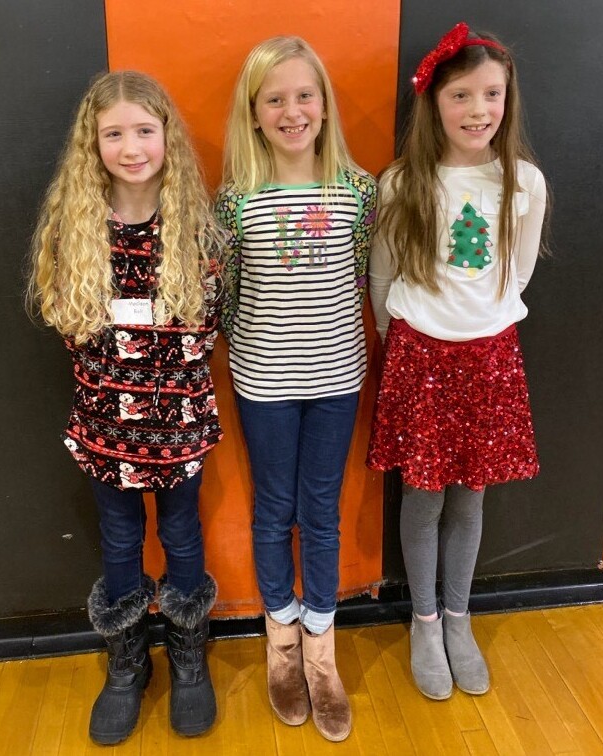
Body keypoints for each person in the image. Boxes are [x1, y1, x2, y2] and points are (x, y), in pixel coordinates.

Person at [28, 71, 224, 744]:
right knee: (118, 539)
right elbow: (65, 318)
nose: (132, 146)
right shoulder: (74, 227)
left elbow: (213, 320)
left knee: (182, 535)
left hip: (180, 427)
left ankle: (190, 655)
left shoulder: (197, 227)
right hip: (106, 425)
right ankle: (127, 660)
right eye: (115, 133)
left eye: (144, 130)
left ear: (166, 136)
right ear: (95, 144)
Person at [367, 22, 548, 700]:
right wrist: (407, 340)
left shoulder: (523, 182)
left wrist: (477, 324)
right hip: (420, 353)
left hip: (490, 355)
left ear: (508, 99)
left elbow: (519, 272)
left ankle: (459, 617)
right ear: (433, 103)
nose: (479, 110)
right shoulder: (403, 184)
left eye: (492, 94)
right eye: (462, 95)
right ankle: (422, 620)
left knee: (470, 496)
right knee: (423, 496)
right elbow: (381, 280)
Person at [215, 36, 376, 742]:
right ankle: (280, 640)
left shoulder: (358, 190)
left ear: (324, 103)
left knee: (323, 508)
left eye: (304, 94)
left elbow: (366, 278)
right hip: (264, 383)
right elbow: (227, 300)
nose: (292, 110)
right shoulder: (236, 200)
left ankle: (321, 648)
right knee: (274, 506)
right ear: (253, 113)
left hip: (338, 377)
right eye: (274, 98)